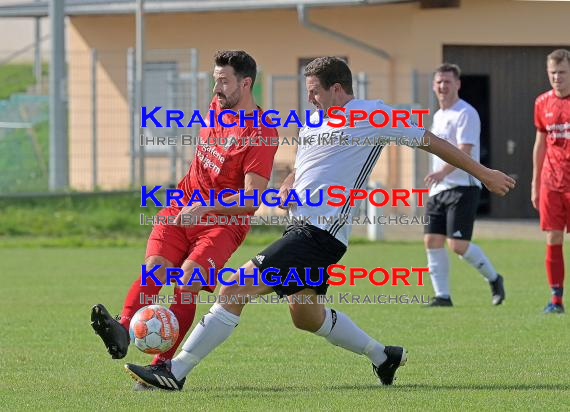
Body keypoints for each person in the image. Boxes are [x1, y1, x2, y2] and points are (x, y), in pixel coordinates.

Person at [124, 56, 515, 391]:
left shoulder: (371, 116)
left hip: (320, 234)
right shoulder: (315, 120)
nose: (308, 97)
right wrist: (289, 184)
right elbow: (305, 164)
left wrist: (482, 172)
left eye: (314, 90)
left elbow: (429, 139)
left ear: (338, 89)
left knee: (233, 287)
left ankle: (175, 371)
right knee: (305, 316)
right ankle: (383, 356)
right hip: (300, 230)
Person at [90, 50, 279, 383]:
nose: (216, 87)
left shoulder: (261, 133)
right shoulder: (219, 106)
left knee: (187, 281)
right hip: (181, 208)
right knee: (154, 270)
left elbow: (253, 199)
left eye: (224, 81)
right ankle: (122, 329)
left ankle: (163, 366)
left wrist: (207, 207)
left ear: (246, 83)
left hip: (223, 223)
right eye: (215, 79)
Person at [423, 63, 505, 307]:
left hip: (463, 187)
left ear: (457, 84)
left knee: (458, 245)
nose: (443, 86)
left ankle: (494, 278)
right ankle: (442, 296)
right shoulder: (437, 116)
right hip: (438, 189)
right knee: (432, 241)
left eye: (448, 81)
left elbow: (464, 152)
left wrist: (440, 173)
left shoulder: (465, 113)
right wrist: (437, 177)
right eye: (439, 82)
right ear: (433, 85)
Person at [532, 49, 570, 314]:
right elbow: (540, 144)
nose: (557, 77)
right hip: (551, 181)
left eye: (562, 72)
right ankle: (556, 299)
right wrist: (536, 182)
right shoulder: (541, 103)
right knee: (553, 237)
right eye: (552, 72)